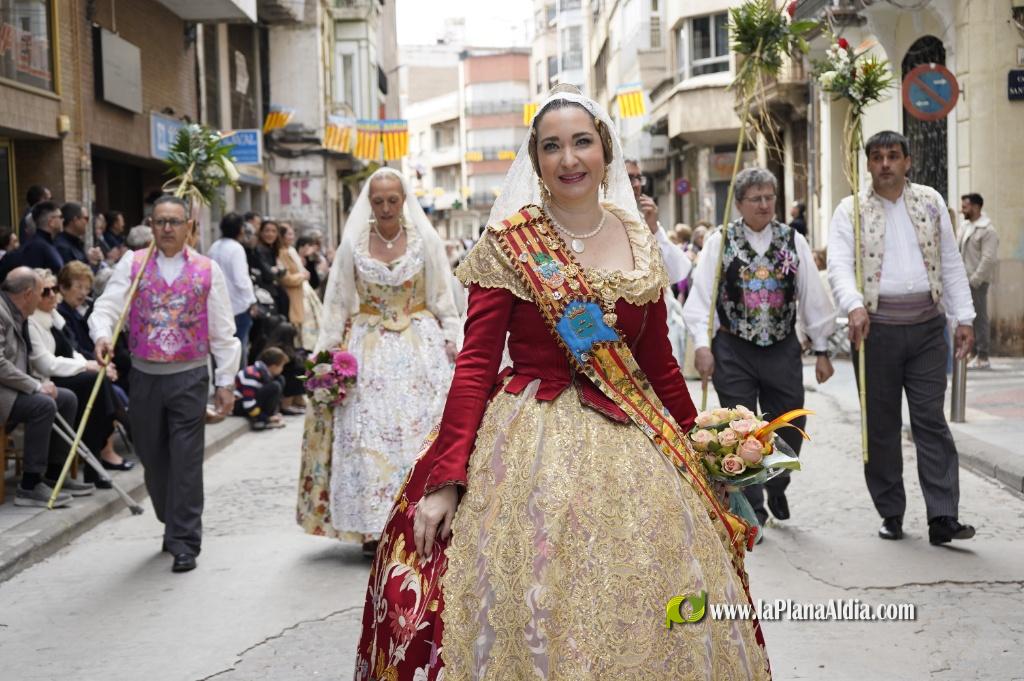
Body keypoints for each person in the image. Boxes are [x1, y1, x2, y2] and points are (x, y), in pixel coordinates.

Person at [352, 91, 769, 680]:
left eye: (581, 142)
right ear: (536, 160)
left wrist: (704, 449)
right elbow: (474, 365)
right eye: (552, 146)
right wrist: (447, 478)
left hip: (634, 443)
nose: (569, 159)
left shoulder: (635, 238)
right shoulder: (508, 245)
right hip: (528, 443)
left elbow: (658, 365)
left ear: (604, 151)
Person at [297, 167, 460, 556]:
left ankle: (420, 515)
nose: (386, 208)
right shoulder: (354, 246)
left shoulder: (426, 243)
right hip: (368, 347)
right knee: (365, 432)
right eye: (378, 201)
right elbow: (337, 303)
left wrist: (453, 337)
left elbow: (442, 298)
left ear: (404, 201)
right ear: (369, 203)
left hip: (420, 344)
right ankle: (374, 526)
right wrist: (327, 354)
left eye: (393, 200)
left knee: (421, 428)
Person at [827, 130, 977, 545]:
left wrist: (963, 317)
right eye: (877, 157)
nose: (886, 164)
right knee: (881, 426)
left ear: (908, 161)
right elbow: (839, 265)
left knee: (930, 418)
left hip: (929, 329)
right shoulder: (850, 210)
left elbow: (950, 263)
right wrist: (854, 304)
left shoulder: (930, 202)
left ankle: (943, 515)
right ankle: (891, 511)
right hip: (876, 330)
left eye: (893, 156)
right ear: (869, 164)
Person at [90, 195, 240, 573]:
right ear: (152, 226)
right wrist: (102, 335)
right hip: (144, 376)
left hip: (190, 376)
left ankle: (185, 541)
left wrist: (225, 381)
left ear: (189, 227)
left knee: (187, 461)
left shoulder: (207, 270)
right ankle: (170, 518)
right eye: (160, 222)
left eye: (175, 222)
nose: (167, 229)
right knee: (153, 460)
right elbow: (107, 306)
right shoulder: (134, 264)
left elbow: (223, 331)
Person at [683, 167, 836, 533]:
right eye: (756, 198)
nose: (765, 204)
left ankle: (778, 483)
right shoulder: (721, 241)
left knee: (791, 421)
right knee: (741, 428)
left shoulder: (792, 240)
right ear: (739, 204)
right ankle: (754, 508)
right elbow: (700, 298)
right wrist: (702, 347)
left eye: (770, 197)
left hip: (782, 346)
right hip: (733, 348)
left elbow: (812, 295)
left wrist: (823, 347)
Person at [26, 268, 127, 486]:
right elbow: (45, 363)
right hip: (45, 379)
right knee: (94, 382)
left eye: (54, 290)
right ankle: (103, 451)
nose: (53, 295)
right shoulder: (31, 322)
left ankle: (95, 463)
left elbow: (72, 351)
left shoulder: (55, 317)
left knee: (99, 381)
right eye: (46, 291)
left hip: (64, 375)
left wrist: (96, 365)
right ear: (32, 294)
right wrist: (88, 366)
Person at [0, 267, 83, 507]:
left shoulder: (15, 311)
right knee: (43, 405)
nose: (44, 298)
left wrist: (39, 384)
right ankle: (29, 484)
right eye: (40, 292)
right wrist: (36, 386)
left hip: (13, 387)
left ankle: (54, 475)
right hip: (4, 392)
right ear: (27, 294)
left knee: (66, 398)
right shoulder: (3, 313)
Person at [625, 158, 691, 285]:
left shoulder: (645, 222)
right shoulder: (598, 219)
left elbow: (677, 271)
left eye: (639, 178)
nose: (637, 184)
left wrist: (654, 228)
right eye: (630, 178)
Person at [208, 212, 258, 368]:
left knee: (221, 349)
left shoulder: (214, 246)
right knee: (239, 347)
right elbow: (241, 279)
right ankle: (237, 384)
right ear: (240, 230)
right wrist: (252, 301)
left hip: (219, 305)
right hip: (238, 306)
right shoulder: (236, 248)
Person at [959, 193, 998, 370]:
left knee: (980, 317)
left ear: (976, 207)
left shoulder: (987, 230)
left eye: (965, 207)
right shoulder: (965, 226)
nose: (962, 210)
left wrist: (975, 280)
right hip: (963, 280)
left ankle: (983, 355)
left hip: (977, 282)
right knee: (968, 318)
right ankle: (973, 353)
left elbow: (988, 258)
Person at [279, 223, 323, 350]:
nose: (292, 237)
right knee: (303, 323)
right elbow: (286, 278)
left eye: (292, 234)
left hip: (305, 290)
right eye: (289, 234)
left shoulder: (291, 251)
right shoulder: (283, 252)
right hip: (298, 291)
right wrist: (302, 276)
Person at [232, 346, 287, 431]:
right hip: (239, 405)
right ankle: (262, 419)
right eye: (281, 366)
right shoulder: (251, 375)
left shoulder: (263, 373)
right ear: (273, 366)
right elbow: (248, 404)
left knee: (280, 379)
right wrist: (265, 418)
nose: (282, 369)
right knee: (275, 386)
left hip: (249, 403)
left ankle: (269, 415)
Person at [253, 219, 288, 319]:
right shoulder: (259, 250)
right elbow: (269, 273)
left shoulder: (272, 250)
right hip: (265, 295)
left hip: (273, 292)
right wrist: (278, 270)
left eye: (273, 231)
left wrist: (278, 270)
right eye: (267, 231)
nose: (270, 234)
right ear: (261, 232)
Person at [17, 201, 64, 275]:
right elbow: (32, 279)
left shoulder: (47, 243)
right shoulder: (35, 246)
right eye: (60, 217)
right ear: (51, 222)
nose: (63, 220)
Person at [55, 203, 104, 271]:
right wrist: (93, 264)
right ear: (75, 220)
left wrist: (92, 259)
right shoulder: (62, 247)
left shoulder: (76, 242)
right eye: (86, 218)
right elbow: (76, 276)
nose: (87, 222)